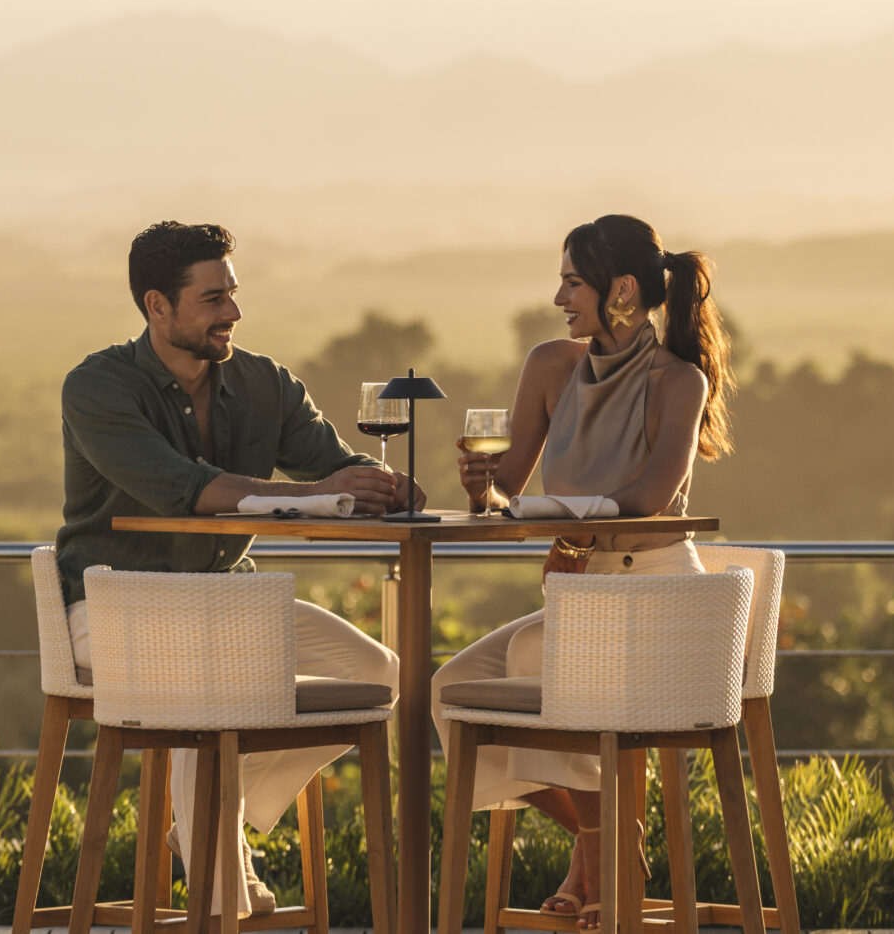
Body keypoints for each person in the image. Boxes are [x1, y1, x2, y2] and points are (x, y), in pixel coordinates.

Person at [56, 220, 425, 914]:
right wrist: (318, 496)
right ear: (156, 307)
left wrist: (384, 482)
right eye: (212, 299)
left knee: (376, 673)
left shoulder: (264, 383)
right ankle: (221, 899)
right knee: (213, 687)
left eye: (232, 293)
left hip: (228, 604)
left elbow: (333, 463)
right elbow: (186, 488)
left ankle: (206, 826)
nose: (232, 311)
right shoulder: (97, 387)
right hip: (112, 608)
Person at [430, 213, 735, 929]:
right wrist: (482, 489)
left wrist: (543, 511)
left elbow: (648, 501)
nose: (559, 298)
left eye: (572, 283)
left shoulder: (678, 381)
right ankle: (603, 841)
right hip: (582, 591)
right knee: (450, 692)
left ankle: (599, 863)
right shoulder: (549, 366)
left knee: (550, 660)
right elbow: (504, 491)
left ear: (621, 290)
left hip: (659, 595)